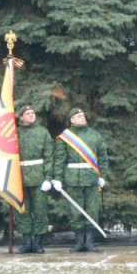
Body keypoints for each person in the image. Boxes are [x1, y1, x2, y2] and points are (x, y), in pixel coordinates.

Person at [52, 108, 108, 253]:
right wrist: (57, 178)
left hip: (91, 178)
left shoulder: (95, 135)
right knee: (75, 211)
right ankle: (79, 242)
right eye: (78, 116)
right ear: (72, 120)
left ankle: (89, 242)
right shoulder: (66, 137)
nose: (82, 117)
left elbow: (103, 158)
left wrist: (103, 176)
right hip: (73, 179)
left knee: (92, 210)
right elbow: (60, 160)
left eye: (83, 115)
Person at [15, 105, 55, 254]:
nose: (32, 115)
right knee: (22, 211)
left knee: (40, 211)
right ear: (21, 117)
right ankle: (27, 243)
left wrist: (48, 177)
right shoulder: (15, 134)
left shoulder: (42, 132)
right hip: (19, 178)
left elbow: (49, 157)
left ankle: (38, 243)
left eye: (33, 113)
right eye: (28, 113)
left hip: (39, 177)